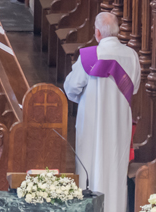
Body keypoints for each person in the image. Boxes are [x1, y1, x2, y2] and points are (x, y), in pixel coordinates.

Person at [64, 11, 140, 212]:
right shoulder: (132, 56)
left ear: (97, 32)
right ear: (117, 31)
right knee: (116, 167)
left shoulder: (90, 56)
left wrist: (85, 98)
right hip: (118, 124)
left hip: (92, 123)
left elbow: (71, 87)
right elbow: (135, 87)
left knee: (90, 165)